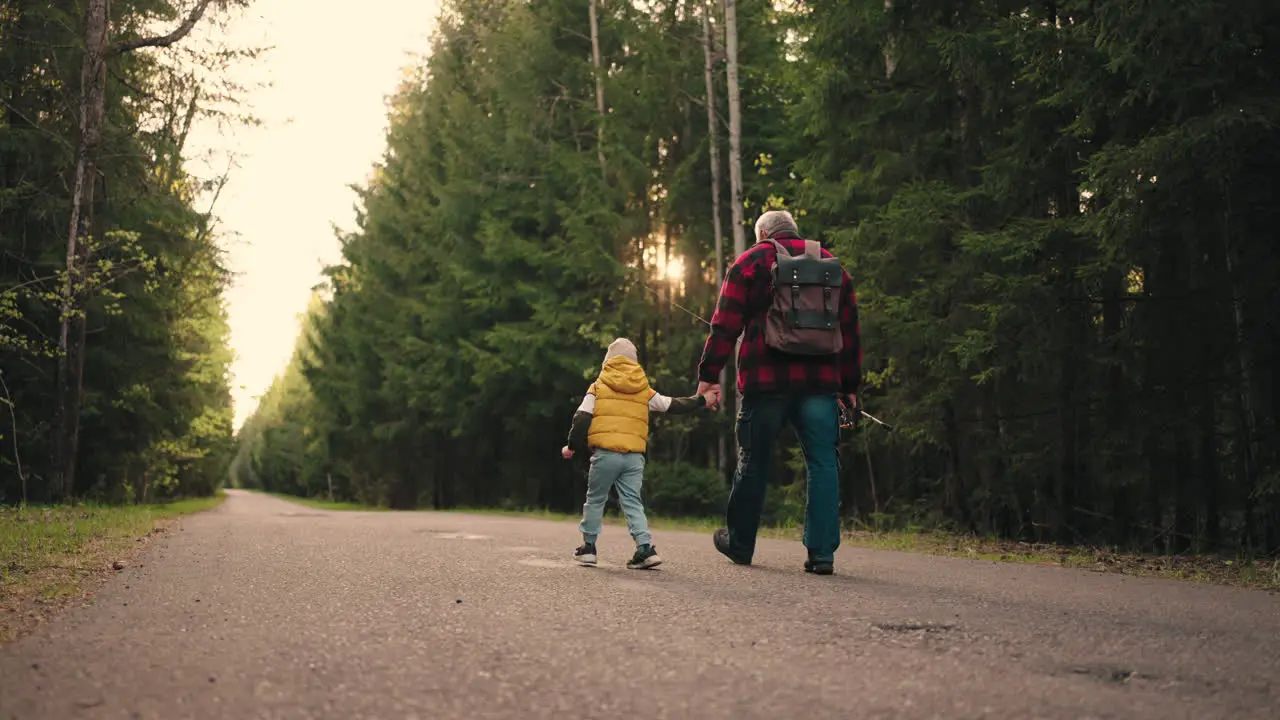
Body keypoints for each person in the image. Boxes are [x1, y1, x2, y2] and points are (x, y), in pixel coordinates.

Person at [697, 210, 861, 575]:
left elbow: (724, 326)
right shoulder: (833, 267)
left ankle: (740, 545)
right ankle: (821, 555)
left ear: (764, 233)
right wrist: (850, 388)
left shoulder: (752, 261)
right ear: (794, 231)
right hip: (820, 385)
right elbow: (849, 333)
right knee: (822, 463)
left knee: (753, 462)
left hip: (764, 383)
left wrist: (709, 376)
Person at [561, 338, 719, 570]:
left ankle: (588, 548)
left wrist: (572, 447)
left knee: (595, 500)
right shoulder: (643, 390)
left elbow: (582, 418)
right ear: (635, 363)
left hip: (606, 455)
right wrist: (703, 399)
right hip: (634, 458)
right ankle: (645, 549)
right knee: (633, 502)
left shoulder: (598, 387)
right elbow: (672, 405)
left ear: (608, 361)